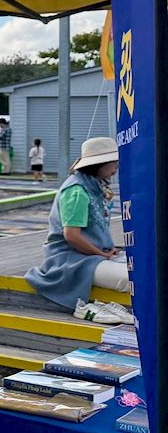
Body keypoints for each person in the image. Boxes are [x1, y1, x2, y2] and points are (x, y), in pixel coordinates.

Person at [25, 137, 132, 323]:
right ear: (98, 164)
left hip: (88, 256)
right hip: (71, 261)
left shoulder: (91, 185)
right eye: (113, 162)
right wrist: (102, 254)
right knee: (131, 278)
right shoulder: (77, 191)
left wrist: (106, 250)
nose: (116, 166)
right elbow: (71, 236)